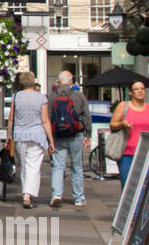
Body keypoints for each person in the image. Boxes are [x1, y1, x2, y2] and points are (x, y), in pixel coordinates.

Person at [7, 71, 55, 209]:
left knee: (23, 165)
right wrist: (51, 141)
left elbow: (11, 119)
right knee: (33, 166)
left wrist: (8, 137)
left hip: (20, 135)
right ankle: (28, 194)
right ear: (33, 82)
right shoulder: (41, 98)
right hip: (37, 136)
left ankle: (25, 193)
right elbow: (45, 121)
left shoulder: (16, 97)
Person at [49, 70, 91, 208]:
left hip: (58, 135)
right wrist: (88, 134)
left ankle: (56, 194)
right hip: (76, 134)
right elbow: (86, 115)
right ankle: (78, 198)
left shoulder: (52, 96)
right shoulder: (78, 95)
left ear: (59, 81)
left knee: (58, 165)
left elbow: (48, 117)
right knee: (77, 166)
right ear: (71, 80)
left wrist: (49, 139)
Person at [110, 78, 149, 187]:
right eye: (136, 89)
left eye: (142, 88)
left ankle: (141, 204)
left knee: (145, 186)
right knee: (128, 187)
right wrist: (123, 124)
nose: (140, 91)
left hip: (147, 154)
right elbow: (113, 125)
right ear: (130, 92)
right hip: (127, 153)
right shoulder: (123, 106)